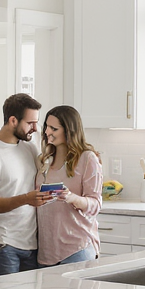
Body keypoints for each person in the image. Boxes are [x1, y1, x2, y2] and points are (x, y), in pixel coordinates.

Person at [0, 93, 50, 277]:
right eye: (30, 123)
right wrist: (26, 199)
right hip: (1, 244)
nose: (35, 129)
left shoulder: (29, 148)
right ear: (13, 120)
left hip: (31, 244)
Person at [35, 105, 102, 266]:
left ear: (69, 130)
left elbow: (95, 204)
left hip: (77, 249)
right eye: (46, 127)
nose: (47, 132)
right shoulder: (44, 160)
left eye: (54, 128)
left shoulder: (87, 159)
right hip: (46, 252)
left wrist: (71, 198)